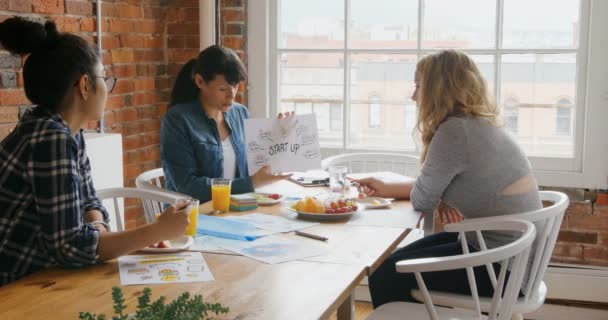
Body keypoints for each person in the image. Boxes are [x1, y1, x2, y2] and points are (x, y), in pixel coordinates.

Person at [0, 17, 190, 286]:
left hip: (42, 278)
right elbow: (69, 247)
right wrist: (155, 230)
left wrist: (97, 229)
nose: (107, 90)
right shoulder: (50, 137)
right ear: (85, 85)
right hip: (12, 289)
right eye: (105, 78)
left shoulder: (68, 131)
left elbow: (90, 201)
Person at [355, 50, 542, 308]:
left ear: (438, 89)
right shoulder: (476, 124)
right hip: (511, 257)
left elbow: (422, 199)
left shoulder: (455, 131)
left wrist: (436, 195)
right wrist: (387, 187)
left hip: (501, 268)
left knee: (385, 274)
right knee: (391, 261)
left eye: (419, 86)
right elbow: (433, 191)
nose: (413, 96)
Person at [161, 45, 290, 203]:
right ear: (200, 81)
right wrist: (250, 184)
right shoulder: (178, 120)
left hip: (237, 207)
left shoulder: (241, 113)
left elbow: (254, 165)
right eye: (223, 89)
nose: (232, 96)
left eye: (235, 86)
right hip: (195, 214)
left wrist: (279, 137)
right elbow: (188, 186)